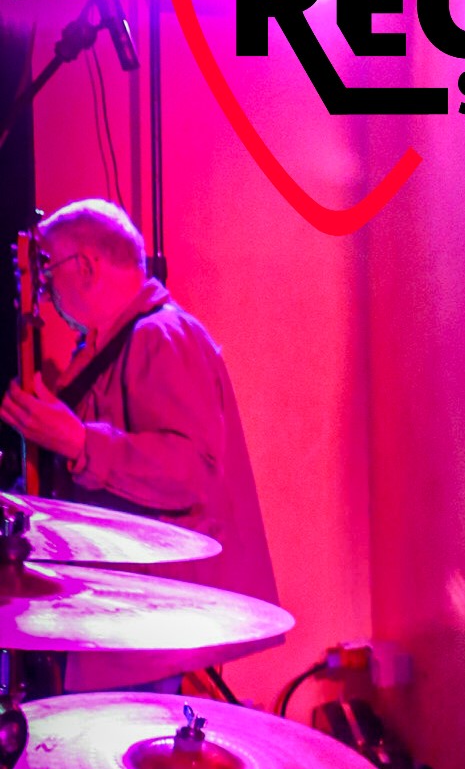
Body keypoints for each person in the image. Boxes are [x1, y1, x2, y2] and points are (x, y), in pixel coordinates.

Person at [0, 197, 276, 621]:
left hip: (161, 611)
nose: (47, 294)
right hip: (127, 608)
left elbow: (190, 473)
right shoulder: (109, 346)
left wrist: (79, 443)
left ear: (85, 266)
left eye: (48, 272)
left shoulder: (160, 335)